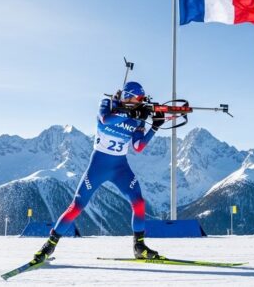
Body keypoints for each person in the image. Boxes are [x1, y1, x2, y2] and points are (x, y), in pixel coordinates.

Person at [31, 81, 166, 264]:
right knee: (77, 206)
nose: (139, 103)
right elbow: (105, 119)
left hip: (120, 168)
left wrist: (155, 127)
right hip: (98, 166)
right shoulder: (108, 104)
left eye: (142, 100)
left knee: (139, 202)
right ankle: (49, 246)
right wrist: (130, 112)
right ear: (126, 96)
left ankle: (139, 247)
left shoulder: (138, 117)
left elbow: (138, 146)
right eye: (137, 99)